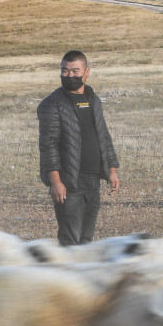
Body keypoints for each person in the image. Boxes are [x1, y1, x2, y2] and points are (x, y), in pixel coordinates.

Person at [37, 50, 120, 245]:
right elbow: (48, 145)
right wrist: (55, 182)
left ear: (87, 72)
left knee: (86, 240)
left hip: (93, 180)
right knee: (70, 241)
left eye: (75, 71)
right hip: (69, 183)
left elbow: (104, 137)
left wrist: (112, 171)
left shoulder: (94, 101)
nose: (70, 76)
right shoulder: (52, 104)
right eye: (65, 71)